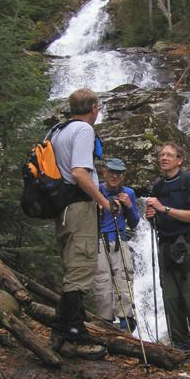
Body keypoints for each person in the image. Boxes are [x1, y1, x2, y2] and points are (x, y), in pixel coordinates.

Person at [50, 88, 112, 360]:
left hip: (63, 209)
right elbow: (78, 172)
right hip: (78, 207)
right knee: (80, 268)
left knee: (73, 266)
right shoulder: (84, 130)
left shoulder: (57, 130)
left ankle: (61, 331)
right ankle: (74, 335)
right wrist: (103, 200)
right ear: (94, 108)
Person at [146, 142, 190, 358]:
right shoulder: (158, 187)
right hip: (166, 246)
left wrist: (163, 208)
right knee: (171, 298)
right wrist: (152, 218)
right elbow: (158, 221)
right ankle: (179, 347)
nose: (164, 158)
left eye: (169, 155)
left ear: (179, 160)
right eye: (162, 155)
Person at [94, 158, 140, 332]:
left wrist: (129, 205)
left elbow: (134, 222)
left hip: (120, 241)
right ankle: (104, 322)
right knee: (101, 281)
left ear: (123, 175)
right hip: (99, 241)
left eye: (118, 173)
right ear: (104, 171)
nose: (114, 176)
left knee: (124, 279)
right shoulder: (95, 189)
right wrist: (95, 208)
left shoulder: (129, 193)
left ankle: (126, 321)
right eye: (111, 172)